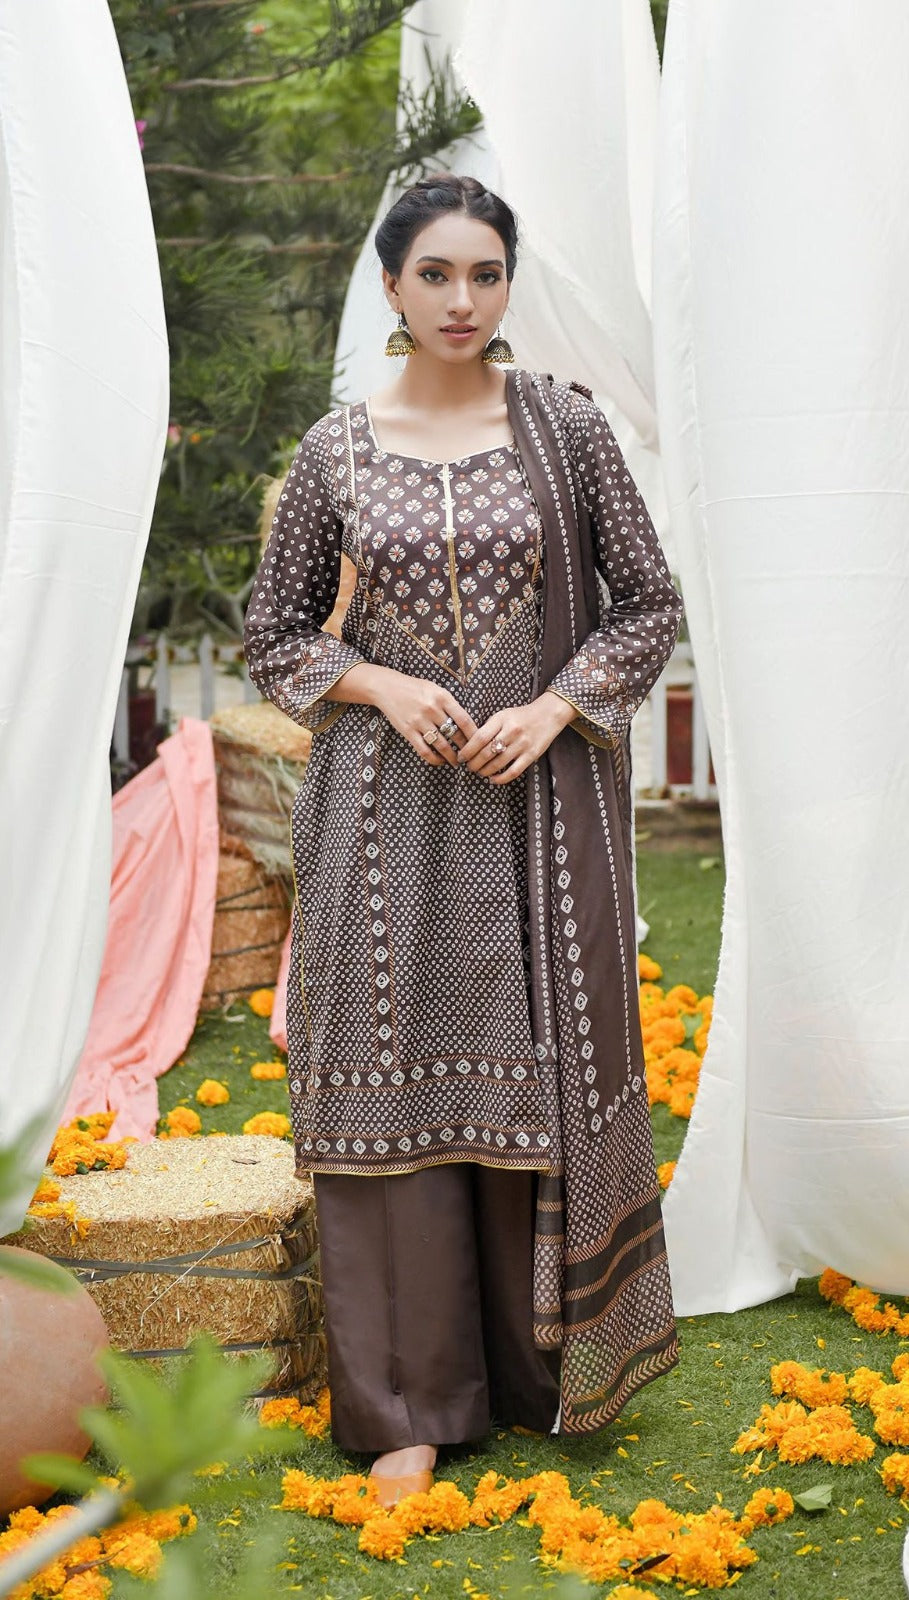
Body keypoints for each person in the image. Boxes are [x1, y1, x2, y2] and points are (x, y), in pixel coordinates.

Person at [244, 173, 683, 1505]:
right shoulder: (336, 452)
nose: (461, 299)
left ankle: (537, 1373)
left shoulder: (566, 427)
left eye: (484, 274)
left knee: (530, 1073)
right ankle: (405, 1412)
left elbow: (645, 606)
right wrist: (381, 685)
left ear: (507, 285)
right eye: (435, 274)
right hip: (386, 817)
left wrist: (556, 707)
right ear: (389, 284)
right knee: (389, 1090)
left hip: (537, 811)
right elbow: (276, 636)